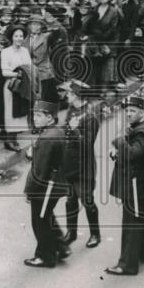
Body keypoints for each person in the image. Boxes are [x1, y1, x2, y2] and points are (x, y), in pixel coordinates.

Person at [104, 95, 144, 277]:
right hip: (137, 185)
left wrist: (118, 140)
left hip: (136, 187)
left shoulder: (142, 132)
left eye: (132, 111)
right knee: (139, 219)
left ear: (141, 112)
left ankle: (127, 265)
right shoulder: (138, 129)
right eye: (127, 111)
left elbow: (132, 154)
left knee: (131, 223)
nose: (129, 114)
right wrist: (116, 153)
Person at [22, 100, 69, 268]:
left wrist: (29, 191)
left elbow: (39, 172)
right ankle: (61, 247)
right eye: (34, 114)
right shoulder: (56, 131)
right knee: (47, 216)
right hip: (56, 183)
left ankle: (45, 256)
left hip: (45, 187)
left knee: (40, 222)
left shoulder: (47, 138)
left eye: (39, 115)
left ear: (49, 118)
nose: (35, 118)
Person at [56, 79, 101, 249]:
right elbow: (65, 132)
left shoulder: (90, 116)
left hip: (83, 166)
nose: (66, 96)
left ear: (76, 95)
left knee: (87, 201)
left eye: (68, 93)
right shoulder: (72, 111)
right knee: (70, 200)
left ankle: (95, 234)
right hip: (69, 163)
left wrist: (74, 130)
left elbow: (87, 144)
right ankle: (71, 232)